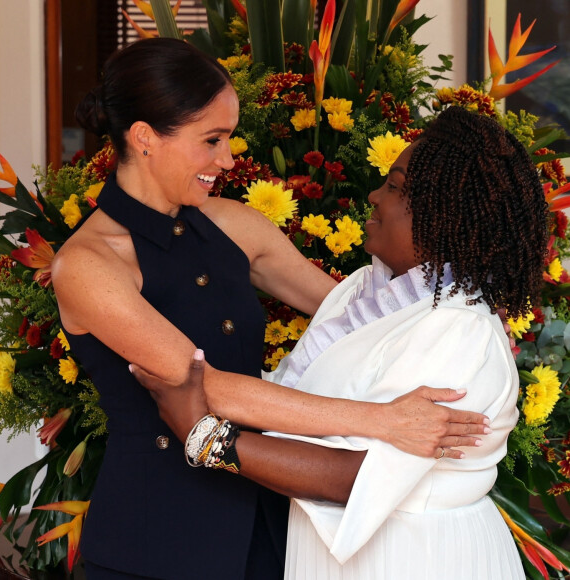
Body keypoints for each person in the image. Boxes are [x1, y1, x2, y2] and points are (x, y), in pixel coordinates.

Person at [52, 37, 488, 580]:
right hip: (157, 538)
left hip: (272, 526)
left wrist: (469, 324)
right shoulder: (87, 265)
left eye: (228, 138)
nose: (228, 160)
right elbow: (203, 386)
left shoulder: (235, 224)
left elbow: (359, 314)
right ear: (144, 138)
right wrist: (385, 421)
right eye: (211, 140)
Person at [133, 105, 548, 579]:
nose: (373, 195)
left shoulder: (459, 331)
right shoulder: (362, 291)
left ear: (441, 216)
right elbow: (298, 406)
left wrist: (206, 437)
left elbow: (355, 477)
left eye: (393, 187)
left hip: (416, 558)